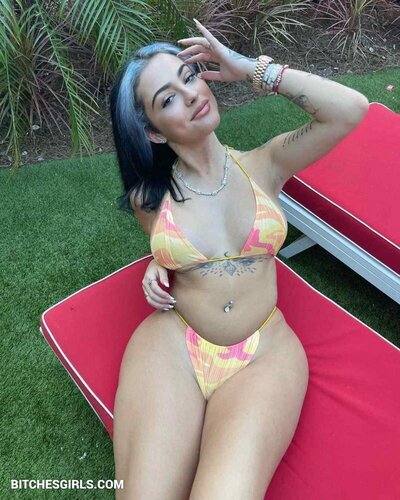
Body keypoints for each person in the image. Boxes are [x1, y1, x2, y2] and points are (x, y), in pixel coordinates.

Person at [109, 18, 369, 500]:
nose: (190, 95)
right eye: (168, 99)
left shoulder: (265, 165)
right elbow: (172, 243)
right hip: (173, 346)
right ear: (154, 133)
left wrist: (250, 68)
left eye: (189, 77)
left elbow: (350, 109)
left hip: (262, 356)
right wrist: (159, 260)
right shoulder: (150, 198)